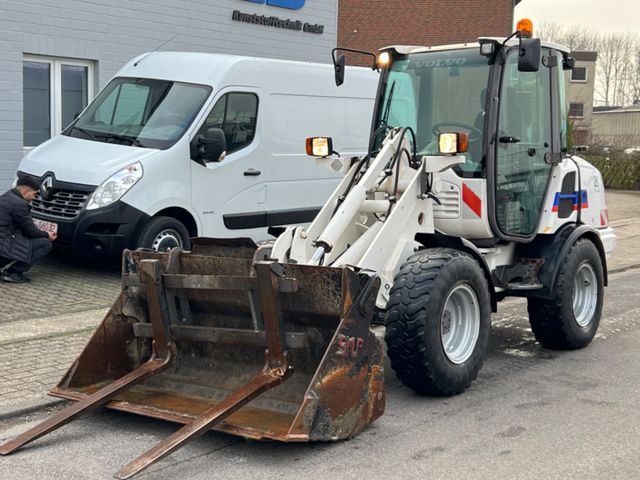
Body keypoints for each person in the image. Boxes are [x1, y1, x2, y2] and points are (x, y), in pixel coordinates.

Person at [0, 176, 56, 283]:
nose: (34, 198)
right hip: (2, 249)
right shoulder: (19, 204)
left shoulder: (6, 197)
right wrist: (47, 235)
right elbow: (31, 232)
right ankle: (13, 272)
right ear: (25, 191)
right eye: (34, 194)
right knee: (45, 244)